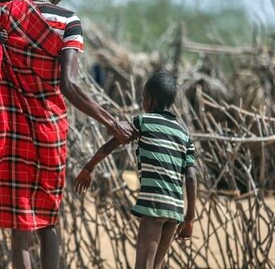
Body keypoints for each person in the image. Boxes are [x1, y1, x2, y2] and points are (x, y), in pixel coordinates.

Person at [0, 0, 133, 269]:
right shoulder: (69, 21)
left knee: (20, 230)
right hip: (48, 132)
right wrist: (110, 121)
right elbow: (68, 84)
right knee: (47, 222)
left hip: (12, 134)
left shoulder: (2, 13)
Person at [74, 71, 197, 269]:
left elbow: (109, 146)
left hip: (154, 204)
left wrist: (88, 168)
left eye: (142, 98)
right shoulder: (184, 135)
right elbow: (190, 178)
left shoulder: (143, 122)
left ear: (149, 99)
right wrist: (189, 218)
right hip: (175, 210)